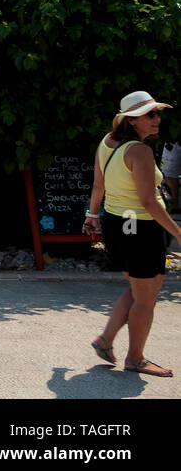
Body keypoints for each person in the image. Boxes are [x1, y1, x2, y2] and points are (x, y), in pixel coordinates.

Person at [85, 91, 181, 377]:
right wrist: (178, 233)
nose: (157, 119)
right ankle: (135, 359)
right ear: (132, 120)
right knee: (145, 299)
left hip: (117, 226)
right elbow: (149, 201)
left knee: (140, 291)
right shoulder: (140, 151)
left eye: (157, 113)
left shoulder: (107, 142)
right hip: (141, 231)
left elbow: (98, 185)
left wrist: (92, 216)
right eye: (149, 114)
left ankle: (105, 340)